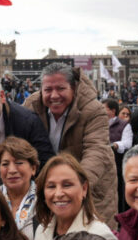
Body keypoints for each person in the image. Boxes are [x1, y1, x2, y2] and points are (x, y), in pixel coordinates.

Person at [25, 63, 118, 225]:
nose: (54, 95)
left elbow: (96, 150)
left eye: (60, 89)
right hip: (47, 190)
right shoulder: (31, 106)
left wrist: (73, 185)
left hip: (91, 189)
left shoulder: (93, 109)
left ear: (73, 88)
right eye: (48, 90)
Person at [32, 154, 117, 240]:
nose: (59, 193)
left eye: (67, 185)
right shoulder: (41, 231)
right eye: (51, 186)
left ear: (84, 189)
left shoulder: (100, 235)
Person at [0, 136, 39, 239]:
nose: (12, 170)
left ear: (33, 168)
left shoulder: (45, 199)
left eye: (19, 163)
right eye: (5, 164)